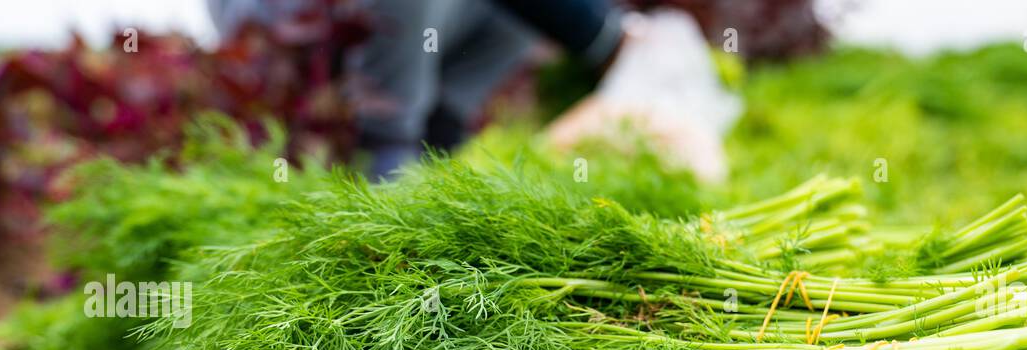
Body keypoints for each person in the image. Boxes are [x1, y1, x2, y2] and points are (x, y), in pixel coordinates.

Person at [208, 1, 736, 182]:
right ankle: (387, 151)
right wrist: (602, 38)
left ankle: (440, 132)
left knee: (520, 20)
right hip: (285, 24)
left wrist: (611, 35)